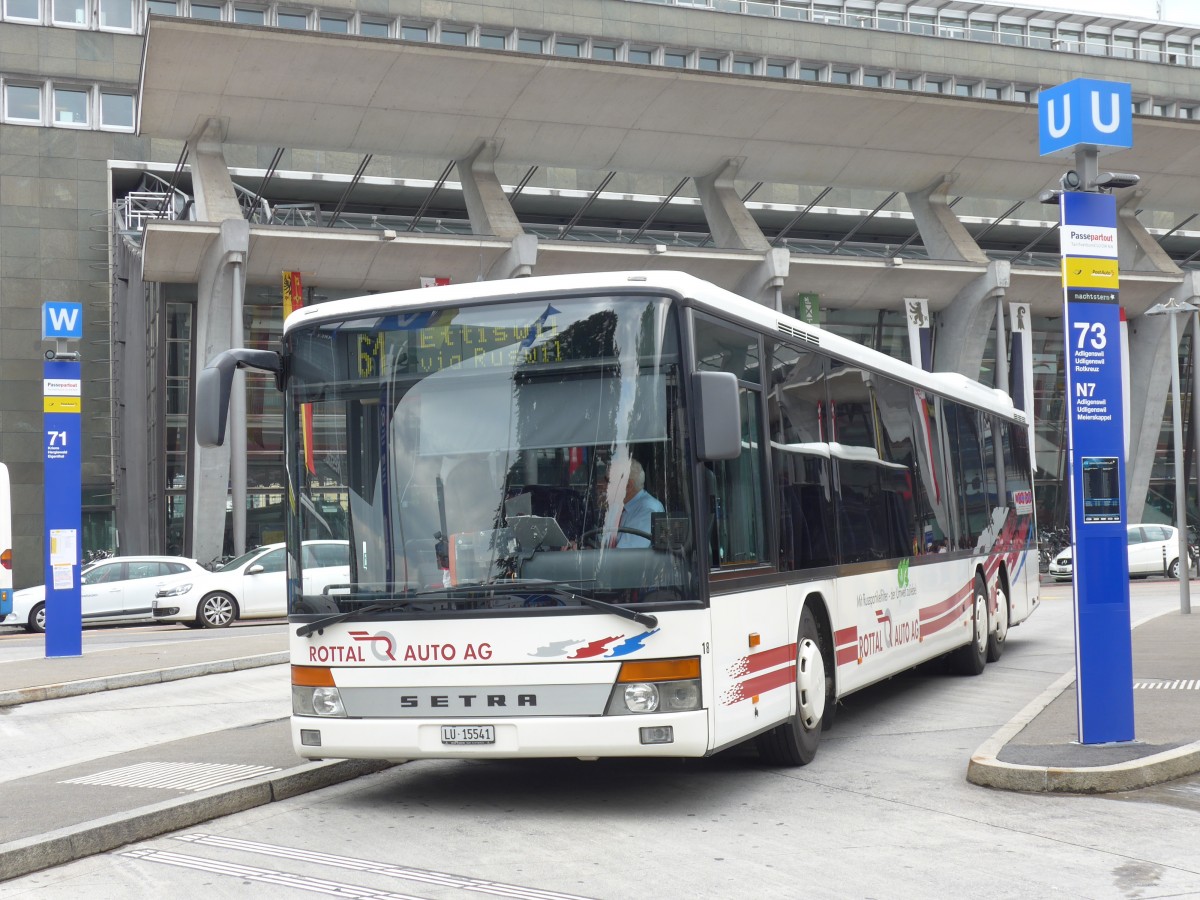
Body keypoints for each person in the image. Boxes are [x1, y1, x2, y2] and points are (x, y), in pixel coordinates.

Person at [599, 458, 664, 548]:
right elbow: (605, 542)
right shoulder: (620, 506)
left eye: (608, 481)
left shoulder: (647, 511)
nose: (604, 485)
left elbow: (624, 556)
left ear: (628, 486)